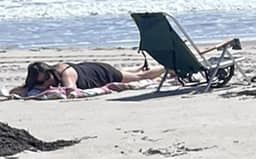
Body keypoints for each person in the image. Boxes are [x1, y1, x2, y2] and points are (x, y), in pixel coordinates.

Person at [8, 59, 159, 97]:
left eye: (47, 78)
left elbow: (71, 91)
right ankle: (137, 67)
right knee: (130, 73)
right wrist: (29, 88)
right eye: (41, 81)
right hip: (87, 69)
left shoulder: (65, 74)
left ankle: (169, 68)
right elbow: (16, 90)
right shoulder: (41, 80)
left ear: (50, 71)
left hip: (101, 73)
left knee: (139, 77)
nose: (47, 83)